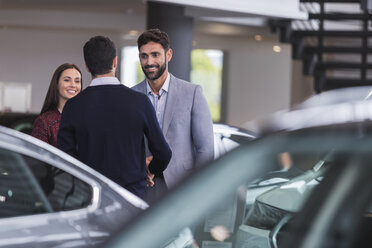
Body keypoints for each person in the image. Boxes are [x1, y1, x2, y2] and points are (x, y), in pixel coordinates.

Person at [57, 36, 172, 199]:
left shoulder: (73, 106)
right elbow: (163, 153)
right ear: (115, 62)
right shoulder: (139, 102)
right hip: (132, 199)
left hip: (90, 197)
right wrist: (148, 171)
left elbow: (65, 159)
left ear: (87, 67)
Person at [132, 29, 214, 200]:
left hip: (181, 187)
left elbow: (205, 149)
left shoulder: (192, 93)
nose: (149, 61)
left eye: (155, 55)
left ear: (168, 55)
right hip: (143, 184)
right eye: (144, 56)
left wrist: (196, 189)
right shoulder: (131, 96)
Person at [31, 63, 82, 147]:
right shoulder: (44, 122)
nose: (73, 85)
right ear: (57, 85)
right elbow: (37, 156)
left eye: (77, 81)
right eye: (67, 80)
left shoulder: (86, 118)